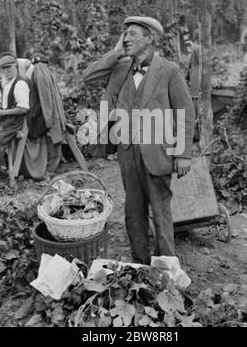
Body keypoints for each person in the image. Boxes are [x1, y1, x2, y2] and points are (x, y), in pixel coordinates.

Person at [83, 16, 195, 265]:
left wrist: (183, 153)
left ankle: (167, 265)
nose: (126, 38)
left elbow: (185, 113)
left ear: (150, 38)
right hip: (128, 152)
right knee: (133, 212)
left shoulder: (168, 70)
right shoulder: (120, 67)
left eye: (133, 33)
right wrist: (114, 53)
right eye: (125, 34)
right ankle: (140, 265)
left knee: (161, 212)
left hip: (158, 152)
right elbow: (88, 78)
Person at [0, 54, 30, 177]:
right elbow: (6, 105)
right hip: (6, 121)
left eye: (9, 67)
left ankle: (1, 175)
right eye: (3, 68)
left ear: (15, 66)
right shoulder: (6, 83)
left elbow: (23, 109)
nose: (6, 71)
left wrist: (2, 113)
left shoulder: (20, 84)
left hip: (15, 123)